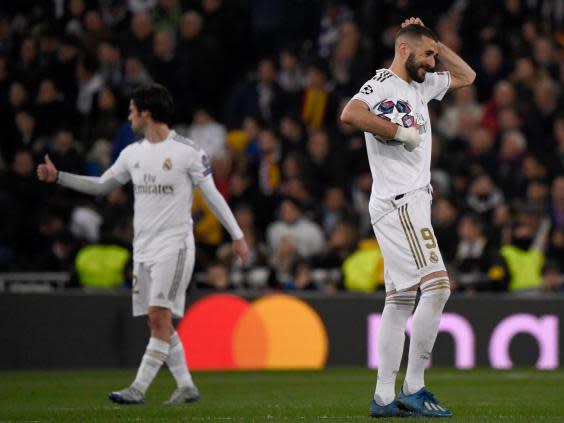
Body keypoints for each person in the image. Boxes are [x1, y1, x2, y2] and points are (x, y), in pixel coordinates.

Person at [37, 83, 249, 405]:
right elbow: (101, 185)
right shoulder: (132, 153)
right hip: (143, 249)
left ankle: (138, 388)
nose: (129, 115)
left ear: (146, 113)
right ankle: (186, 385)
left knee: (159, 315)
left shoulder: (188, 152)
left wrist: (237, 235)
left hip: (174, 246)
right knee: (156, 321)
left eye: (132, 110)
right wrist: (59, 177)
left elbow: (213, 196)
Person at [341, 18, 475, 418]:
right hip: (401, 203)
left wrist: (437, 42)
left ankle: (383, 397)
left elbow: (468, 75)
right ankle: (414, 386)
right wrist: (398, 133)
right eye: (428, 54)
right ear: (404, 49)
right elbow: (350, 113)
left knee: (399, 300)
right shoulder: (382, 84)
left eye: (434, 55)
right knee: (438, 287)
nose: (433, 63)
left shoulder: (422, 85)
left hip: (405, 203)